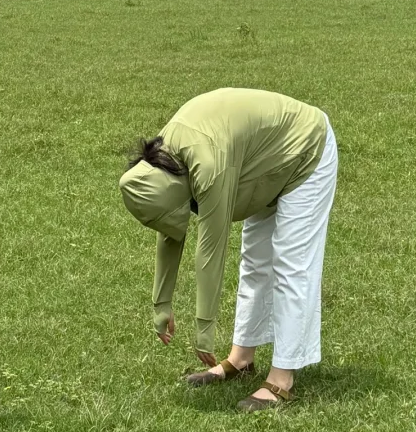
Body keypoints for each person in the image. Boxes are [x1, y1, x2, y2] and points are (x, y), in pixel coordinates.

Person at [119, 88, 337, 412]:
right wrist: (161, 304)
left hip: (305, 150)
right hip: (262, 163)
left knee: (292, 264)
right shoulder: (160, 164)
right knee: (254, 261)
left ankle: (282, 379)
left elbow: (211, 250)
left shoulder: (208, 166)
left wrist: (204, 330)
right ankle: (241, 359)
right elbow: (169, 231)